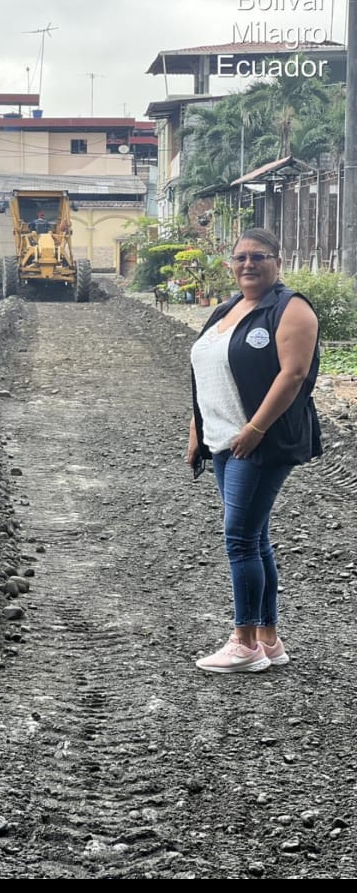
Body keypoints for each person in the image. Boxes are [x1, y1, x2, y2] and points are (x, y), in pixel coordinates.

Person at [187, 227, 321, 674]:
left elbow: (293, 374)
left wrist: (256, 428)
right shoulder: (227, 309)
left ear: (277, 262)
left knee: (240, 539)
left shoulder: (291, 308)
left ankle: (243, 643)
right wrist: (197, 431)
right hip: (223, 439)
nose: (248, 264)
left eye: (259, 256)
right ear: (231, 264)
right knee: (255, 537)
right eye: (241, 257)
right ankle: (268, 639)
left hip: (260, 442)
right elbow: (206, 375)